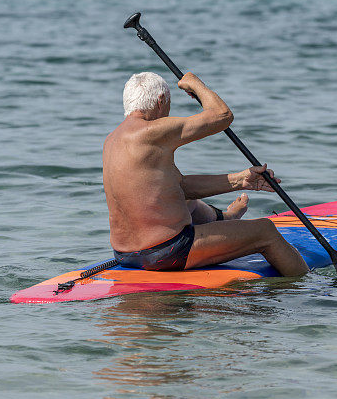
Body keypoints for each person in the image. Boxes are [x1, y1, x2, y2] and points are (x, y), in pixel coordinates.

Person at [102, 71, 309, 276]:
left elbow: (181, 187)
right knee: (266, 231)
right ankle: (308, 288)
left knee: (188, 203)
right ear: (160, 100)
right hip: (166, 251)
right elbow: (222, 115)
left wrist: (240, 180)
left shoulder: (111, 140)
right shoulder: (151, 132)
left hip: (124, 254)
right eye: (168, 103)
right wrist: (196, 84)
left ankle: (227, 217)